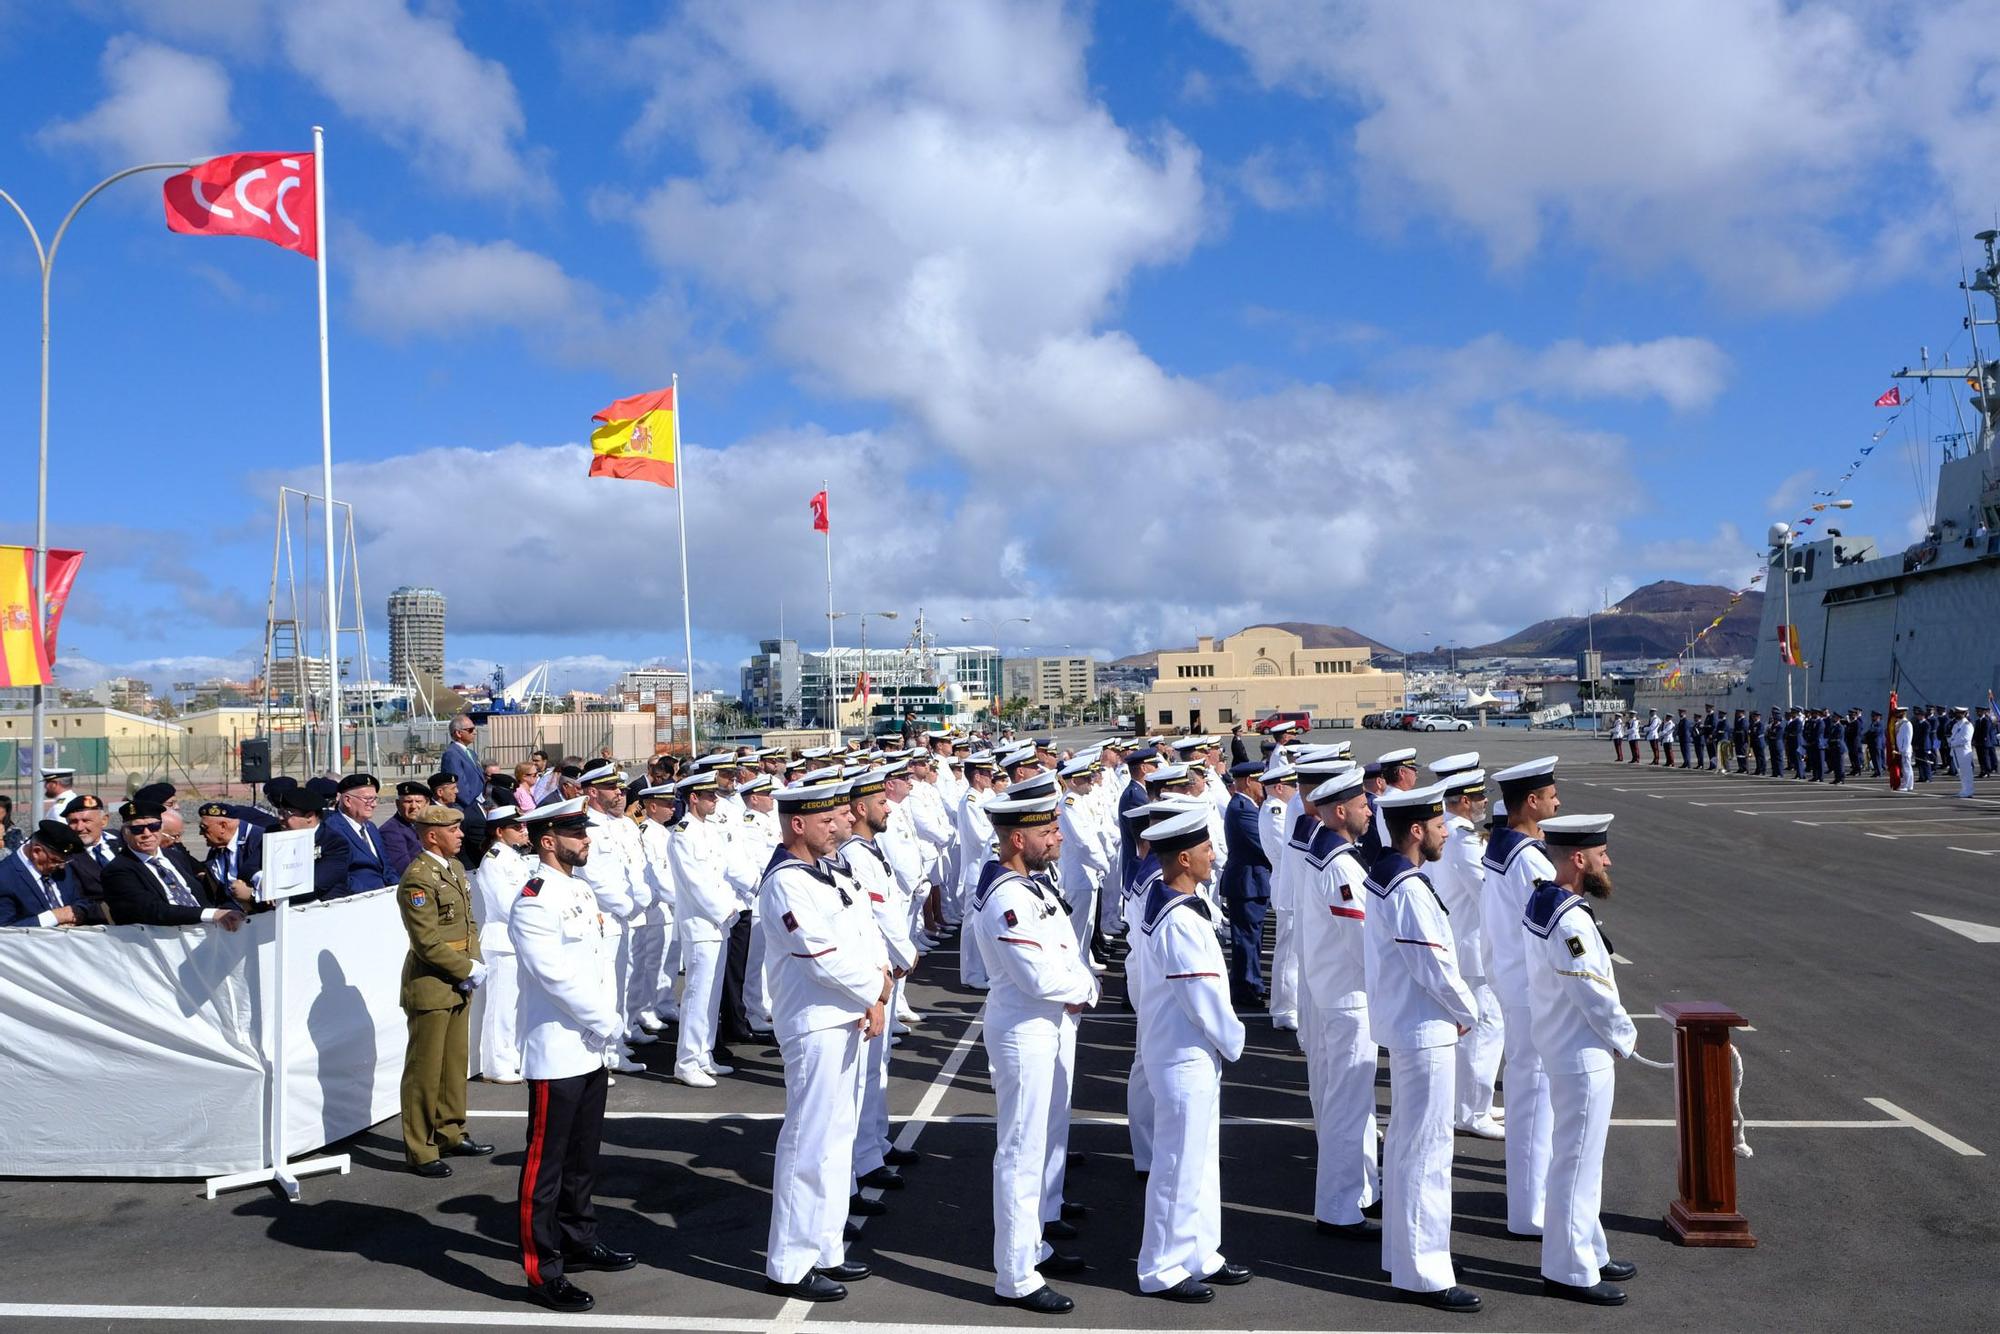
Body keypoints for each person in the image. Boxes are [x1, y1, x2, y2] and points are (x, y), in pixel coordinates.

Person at [760, 778, 892, 1304]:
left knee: (838, 1141)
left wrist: (875, 993)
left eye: (837, 818)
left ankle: (826, 1246)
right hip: (814, 1023)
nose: (839, 825)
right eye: (825, 820)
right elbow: (819, 955)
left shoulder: (828, 871)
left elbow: (866, 934)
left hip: (849, 1015)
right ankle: (790, 1263)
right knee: (808, 1143)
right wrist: (875, 989)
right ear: (798, 824)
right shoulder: (786, 883)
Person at [972, 790, 1099, 1314]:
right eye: (1049, 832)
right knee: (1021, 1153)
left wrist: (1077, 980)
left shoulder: (1029, 884)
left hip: (1043, 1026)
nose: (1059, 838)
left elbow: (1063, 952)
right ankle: (1017, 1275)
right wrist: (1084, 988)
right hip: (1023, 1031)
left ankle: (1032, 1247)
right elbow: (1037, 974)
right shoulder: (1007, 897)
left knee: (1038, 1143)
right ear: (1018, 839)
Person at [512, 797, 635, 1314]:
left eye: (584, 830)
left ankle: (579, 1240)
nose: (586, 839)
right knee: (546, 1167)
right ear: (548, 840)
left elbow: (597, 959)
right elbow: (554, 975)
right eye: (576, 832)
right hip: (559, 1047)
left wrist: (603, 1026)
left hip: (588, 1047)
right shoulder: (534, 899)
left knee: (583, 1158)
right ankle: (544, 1270)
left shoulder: (580, 888)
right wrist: (605, 1022)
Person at [1366, 782, 1480, 1313]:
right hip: (1426, 1028)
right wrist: (1467, 1011)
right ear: (1417, 830)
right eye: (1438, 826)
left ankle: (1403, 1257)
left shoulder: (1391, 875)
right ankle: (1425, 1272)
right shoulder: (1407, 887)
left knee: (1412, 1146)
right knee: (1429, 1153)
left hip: (1415, 1027)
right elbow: (1432, 964)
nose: (1443, 834)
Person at [1132, 805, 1248, 1302]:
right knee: (1178, 1163)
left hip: (1190, 1051)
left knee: (1201, 1161)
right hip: (1183, 1053)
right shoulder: (1178, 918)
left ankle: (1200, 1252)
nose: (1212, 856)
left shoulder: (1181, 905)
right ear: (1183, 857)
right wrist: (1235, 1038)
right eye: (1205, 849)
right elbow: (1201, 995)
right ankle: (1162, 1266)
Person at [1525, 814, 1638, 1306]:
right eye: (1601, 853)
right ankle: (1569, 1270)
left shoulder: (1547, 899)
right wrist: (1624, 1036)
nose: (1608, 860)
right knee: (1576, 1162)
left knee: (1582, 1161)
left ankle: (1588, 1249)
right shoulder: (1568, 918)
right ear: (1578, 858)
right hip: (1579, 1050)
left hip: (1562, 1043)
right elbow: (1589, 990)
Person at [1293, 767, 1381, 1239]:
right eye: (1363, 803)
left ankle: (1356, 1192)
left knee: (1339, 1104)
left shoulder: (1323, 854)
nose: (1370, 809)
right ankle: (1340, 1208)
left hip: (1331, 995)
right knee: (1348, 1106)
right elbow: (1363, 942)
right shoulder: (1342, 865)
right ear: (1341, 811)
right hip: (1350, 1000)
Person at [1481, 756, 1561, 1240]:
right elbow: (1545, 929)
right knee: (1533, 1101)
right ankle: (1531, 1213)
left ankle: (1531, 1202)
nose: (1558, 802)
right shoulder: (1527, 857)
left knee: (1532, 1098)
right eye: (1551, 795)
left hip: (1515, 984)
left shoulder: (1503, 848)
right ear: (1531, 802)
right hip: (1532, 989)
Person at [395, 803, 493, 1177]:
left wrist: (474, 965)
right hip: (432, 984)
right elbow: (426, 942)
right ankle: (421, 1147)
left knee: (454, 1064)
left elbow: (467, 925)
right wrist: (467, 968)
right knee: (424, 1071)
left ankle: (451, 1131)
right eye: (453, 829)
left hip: (458, 980)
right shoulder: (418, 879)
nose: (461, 834)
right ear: (432, 835)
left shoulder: (451, 868)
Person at [1435, 768, 1502, 1138]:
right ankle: (1473, 1111)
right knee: (1485, 1027)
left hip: (1464, 942)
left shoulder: (1450, 831)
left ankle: (1475, 1103)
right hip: (1472, 947)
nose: (1484, 802)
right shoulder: (1463, 840)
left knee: (1478, 1028)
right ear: (1463, 801)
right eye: (1479, 797)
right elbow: (1487, 893)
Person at [671, 769, 741, 1086]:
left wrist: (730, 909)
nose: (715, 799)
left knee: (712, 995)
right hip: (700, 924)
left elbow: (721, 876)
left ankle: (703, 1054)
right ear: (693, 798)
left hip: (720, 922)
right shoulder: (682, 835)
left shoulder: (708, 831)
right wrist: (724, 909)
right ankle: (686, 1061)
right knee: (698, 994)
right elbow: (696, 884)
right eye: (709, 795)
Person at [99, 801, 246, 929]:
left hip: (207, 931)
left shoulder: (175, 857)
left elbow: (205, 894)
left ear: (162, 828)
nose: (147, 833)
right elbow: (151, 910)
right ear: (125, 833)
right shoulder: (117, 871)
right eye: (137, 829)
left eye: (154, 826)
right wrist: (211, 914)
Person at [472, 805, 533, 1084]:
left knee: (517, 1005)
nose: (524, 831)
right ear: (499, 831)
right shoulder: (494, 859)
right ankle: (496, 1064)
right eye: (517, 827)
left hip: (517, 939)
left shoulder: (514, 857)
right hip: (502, 941)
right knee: (501, 1007)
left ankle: (513, 1056)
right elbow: (505, 904)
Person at [1218, 761, 1273, 1008]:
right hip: (1246, 884)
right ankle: (1245, 987)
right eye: (1260, 781)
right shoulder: (1242, 809)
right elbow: (1263, 846)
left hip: (1251, 883)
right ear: (1249, 781)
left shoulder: (1248, 806)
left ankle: (1253, 983)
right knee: (1247, 940)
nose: (1264, 788)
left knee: (1252, 938)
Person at [0, 819, 112, 927]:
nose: (62, 866)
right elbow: (5, 931)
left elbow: (81, 900)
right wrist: (54, 917)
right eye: (55, 861)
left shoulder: (59, 866)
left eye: (65, 861)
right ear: (36, 851)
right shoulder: (5, 878)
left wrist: (76, 914)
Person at [329, 773, 393, 895]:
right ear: (347, 800)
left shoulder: (371, 827)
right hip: (358, 899)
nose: (374, 804)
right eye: (368, 799)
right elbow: (337, 878)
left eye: (375, 799)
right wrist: (373, 893)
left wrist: (398, 888)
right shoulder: (332, 830)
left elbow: (387, 867)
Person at [442, 713, 489, 866]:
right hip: (466, 810)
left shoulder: (471, 753)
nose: (474, 732)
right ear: (458, 733)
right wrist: (474, 807)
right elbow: (459, 786)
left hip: (478, 808)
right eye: (470, 729)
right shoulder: (451, 754)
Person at [383, 781, 429, 879]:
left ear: (427, 804)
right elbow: (404, 869)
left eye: (418, 801)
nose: (413, 806)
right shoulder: (391, 831)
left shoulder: (425, 824)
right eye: (408, 802)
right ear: (398, 804)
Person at [1951, 706, 1977, 798]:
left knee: (1966, 772)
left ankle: (1969, 790)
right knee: (1961, 772)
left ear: (1964, 714)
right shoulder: (1956, 725)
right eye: (1957, 712)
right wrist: (1951, 742)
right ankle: (1964, 789)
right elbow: (1952, 736)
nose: (1957, 714)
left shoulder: (1967, 725)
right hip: (1955, 751)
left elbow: (1966, 739)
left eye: (1959, 713)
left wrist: (1953, 742)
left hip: (1964, 751)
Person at [1893, 708, 1915, 792]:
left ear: (1904, 713)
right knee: (1905, 768)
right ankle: (1907, 784)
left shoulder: (1907, 724)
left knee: (1907, 768)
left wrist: (1904, 750)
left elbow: (1907, 738)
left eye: (1899, 713)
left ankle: (1908, 785)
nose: (1897, 714)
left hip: (1905, 750)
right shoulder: (1900, 723)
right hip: (1901, 749)